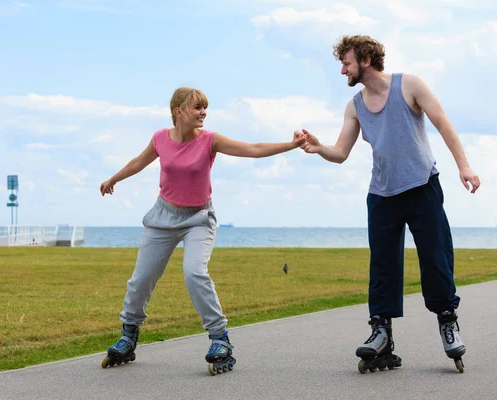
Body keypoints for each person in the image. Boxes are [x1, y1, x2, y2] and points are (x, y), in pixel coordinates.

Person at [299, 35, 480, 373]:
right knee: (382, 265)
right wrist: (318, 147)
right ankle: (381, 332)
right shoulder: (354, 105)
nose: (342, 70)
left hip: (422, 186)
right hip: (382, 195)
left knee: (435, 257)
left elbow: (442, 122)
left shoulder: (409, 85)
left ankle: (447, 321)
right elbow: (340, 153)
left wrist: (464, 166)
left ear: (365, 60)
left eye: (347, 63)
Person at [100, 87, 305, 374]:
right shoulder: (160, 138)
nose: (203, 113)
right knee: (141, 279)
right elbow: (138, 161)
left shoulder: (210, 140)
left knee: (194, 273)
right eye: (197, 108)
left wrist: (290, 145)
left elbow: (253, 149)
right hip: (163, 216)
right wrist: (113, 179)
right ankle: (128, 335)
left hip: (198, 218)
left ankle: (220, 339)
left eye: (205, 108)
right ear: (178, 111)